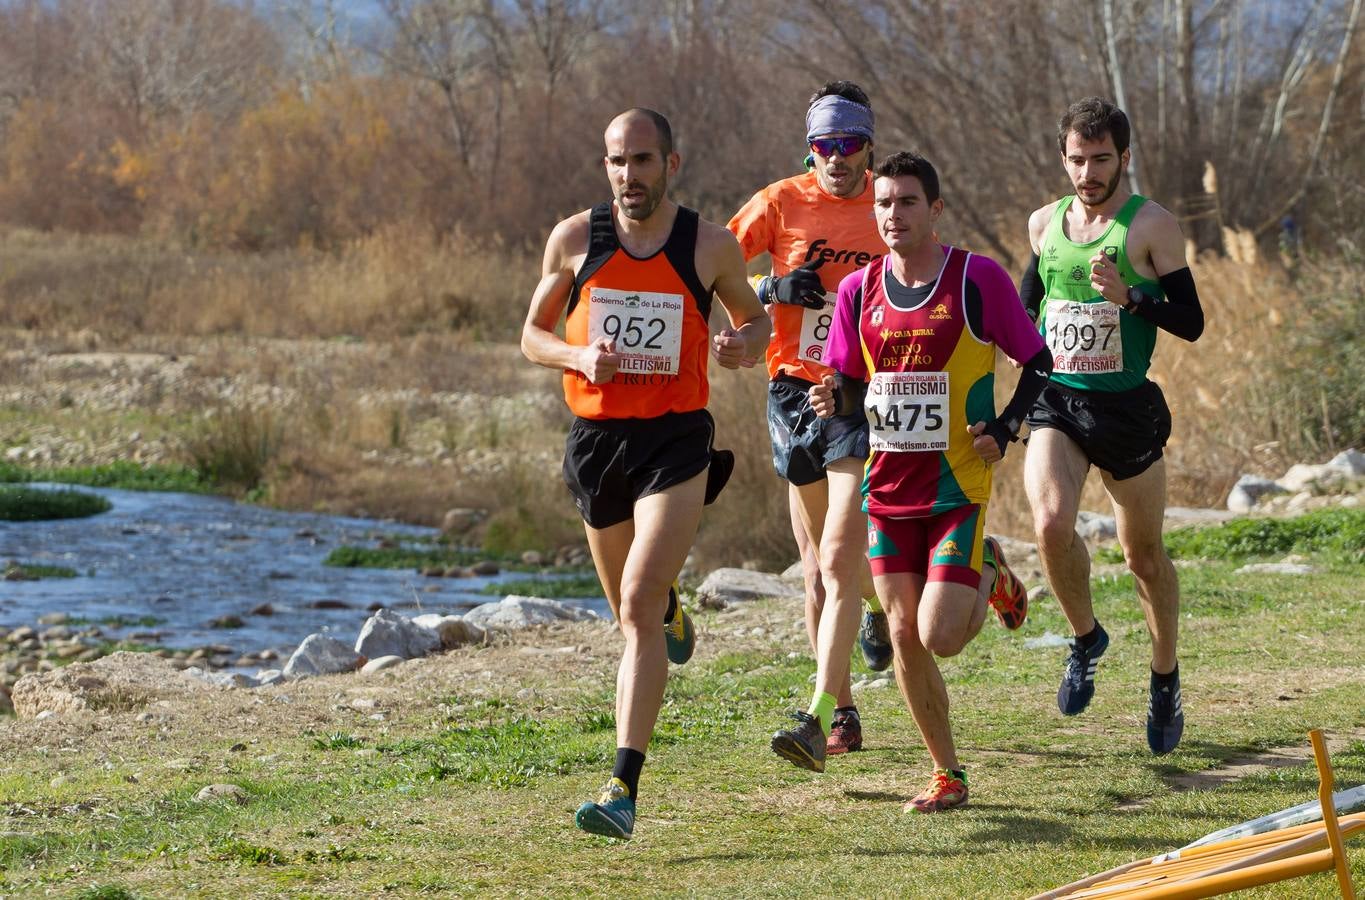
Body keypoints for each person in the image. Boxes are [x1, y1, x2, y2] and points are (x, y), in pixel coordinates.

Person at [521, 108, 769, 839]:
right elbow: (531, 335)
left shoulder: (709, 245)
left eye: (642, 160)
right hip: (597, 441)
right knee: (631, 610)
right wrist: (576, 356)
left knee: (635, 602)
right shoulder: (573, 240)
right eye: (616, 161)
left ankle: (621, 789)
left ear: (671, 164)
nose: (629, 175)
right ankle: (671, 613)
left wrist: (741, 347)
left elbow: (755, 322)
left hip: (675, 439)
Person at [808, 151, 1050, 808]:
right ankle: (948, 774)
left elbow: (1038, 361)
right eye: (883, 203)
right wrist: (832, 397)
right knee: (903, 633)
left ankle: (989, 569)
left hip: (955, 489)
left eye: (907, 201)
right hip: (887, 491)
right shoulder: (857, 290)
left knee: (940, 634)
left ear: (934, 208)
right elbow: (849, 384)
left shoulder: (976, 278)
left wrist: (1006, 428)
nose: (893, 214)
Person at [1018, 97, 1205, 755]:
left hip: (1126, 410)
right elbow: (1029, 304)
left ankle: (1164, 676)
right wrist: (1012, 359)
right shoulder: (1044, 223)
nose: (1087, 173)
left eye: (1100, 159)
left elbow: (1191, 321)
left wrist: (1131, 298)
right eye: (1077, 159)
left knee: (1142, 557)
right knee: (1049, 524)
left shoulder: (1150, 226)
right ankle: (1085, 637)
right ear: (1063, 158)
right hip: (1059, 401)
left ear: (1124, 157)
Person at [727, 81, 892, 761]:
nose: (837, 157)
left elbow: (925, 273)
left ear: (867, 147)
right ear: (810, 148)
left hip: (868, 389)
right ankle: (846, 698)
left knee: (842, 551)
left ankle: (834, 709)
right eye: (825, 145)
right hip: (794, 389)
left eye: (850, 144)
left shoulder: (888, 202)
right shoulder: (779, 202)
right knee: (819, 566)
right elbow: (707, 267)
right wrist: (769, 287)